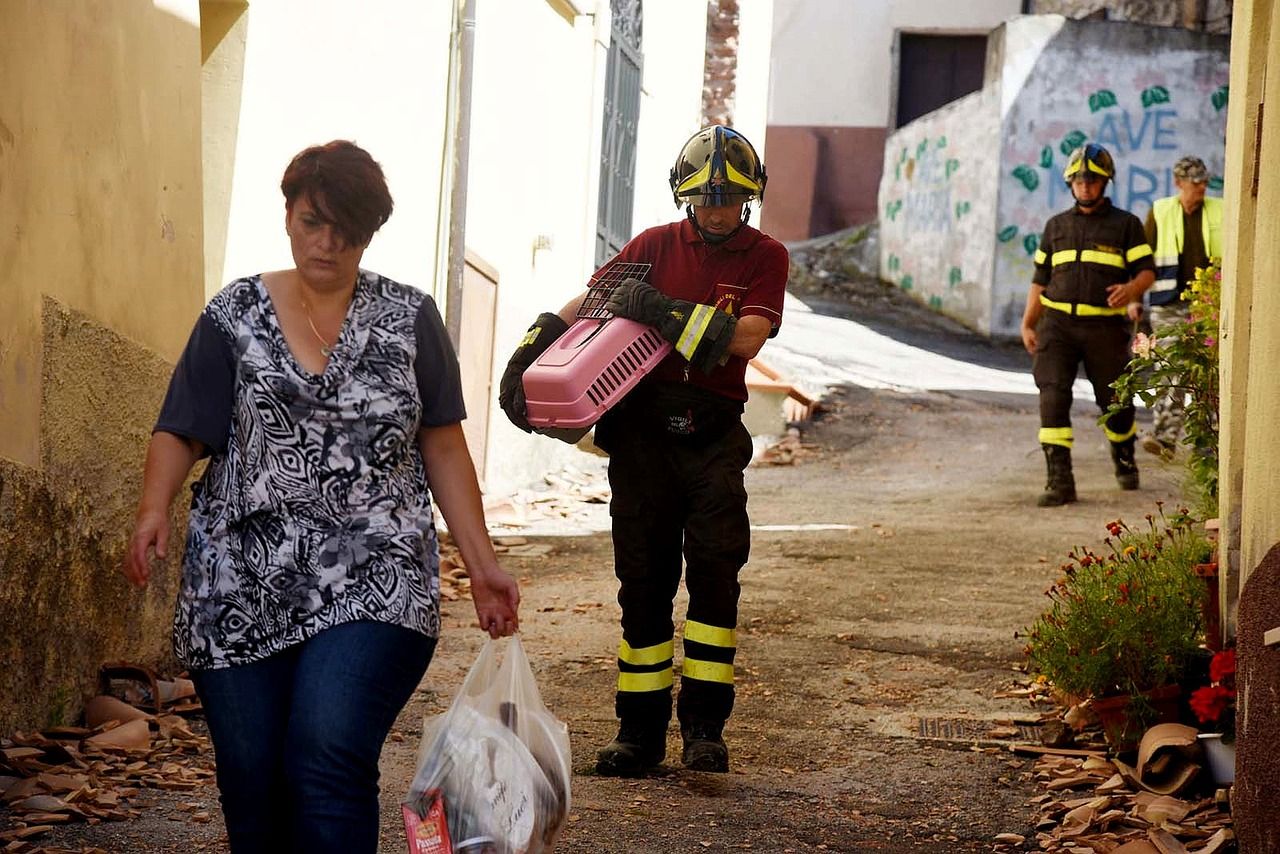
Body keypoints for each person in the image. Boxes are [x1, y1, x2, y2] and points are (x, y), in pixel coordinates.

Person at [122, 140, 520, 853]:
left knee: (327, 749)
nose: (327, 242)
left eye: (347, 229)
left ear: (369, 234)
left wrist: (481, 562)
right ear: (287, 216)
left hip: (377, 573)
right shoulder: (234, 314)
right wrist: (155, 507)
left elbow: (443, 445)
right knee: (251, 777)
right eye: (313, 221)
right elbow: (183, 427)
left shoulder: (410, 318)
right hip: (239, 581)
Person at [499, 125, 787, 776]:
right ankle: (639, 734)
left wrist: (660, 309)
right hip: (642, 435)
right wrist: (533, 342)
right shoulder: (654, 245)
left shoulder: (765, 256)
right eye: (704, 198)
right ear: (684, 196)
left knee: (716, 581)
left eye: (729, 199)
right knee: (644, 585)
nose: (716, 210)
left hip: (714, 434)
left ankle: (706, 730)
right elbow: (591, 301)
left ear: (749, 197)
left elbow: (744, 339)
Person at [1019, 142, 1156, 507]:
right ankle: (1059, 480)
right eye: (1078, 180)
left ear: (1105, 182)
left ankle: (1124, 457)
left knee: (1115, 402)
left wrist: (1130, 289)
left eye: (1092, 180)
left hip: (1105, 331)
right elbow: (1040, 279)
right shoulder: (1055, 226)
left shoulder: (1126, 225)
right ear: (1070, 184)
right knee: (1052, 394)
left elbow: (1146, 272)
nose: (1085, 186)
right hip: (1057, 327)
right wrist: (1028, 323)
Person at [1134, 155, 1223, 459]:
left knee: (1207, 372)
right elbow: (1143, 260)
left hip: (1208, 304)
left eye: (1203, 182)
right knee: (1171, 369)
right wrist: (1135, 298)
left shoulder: (1220, 210)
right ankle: (1165, 438)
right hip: (1167, 302)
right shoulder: (1160, 211)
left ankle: (1207, 445)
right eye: (1194, 182)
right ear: (1178, 183)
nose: (1200, 188)